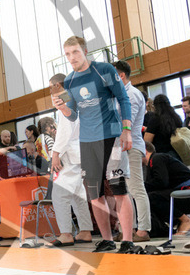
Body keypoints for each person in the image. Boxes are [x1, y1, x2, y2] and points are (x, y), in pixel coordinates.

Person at [56, 36, 135, 253]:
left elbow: (124, 100)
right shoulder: (70, 81)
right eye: (68, 54)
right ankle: (107, 239)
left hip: (111, 136)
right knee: (94, 193)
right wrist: (64, 110)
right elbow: (73, 116)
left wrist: (126, 130)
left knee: (118, 188)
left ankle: (127, 240)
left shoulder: (104, 70)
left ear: (85, 51)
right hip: (87, 141)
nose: (72, 58)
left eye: (75, 52)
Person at [48, 74, 93, 247]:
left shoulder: (65, 99)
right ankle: (85, 231)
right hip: (80, 151)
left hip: (68, 151)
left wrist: (55, 153)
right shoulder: (78, 97)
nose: (50, 90)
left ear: (58, 85)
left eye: (51, 87)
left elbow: (66, 129)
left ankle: (66, 233)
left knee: (60, 194)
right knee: (78, 193)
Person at [114, 60, 150, 243]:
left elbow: (128, 121)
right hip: (119, 149)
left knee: (136, 188)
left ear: (120, 76)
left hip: (131, 146)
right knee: (124, 191)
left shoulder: (133, 94)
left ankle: (143, 230)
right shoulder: (119, 95)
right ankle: (129, 228)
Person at [143, 141, 190, 237]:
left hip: (189, 193)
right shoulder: (152, 163)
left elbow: (161, 182)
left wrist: (140, 187)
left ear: (143, 150)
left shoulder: (157, 158)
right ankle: (171, 225)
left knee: (152, 197)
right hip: (181, 191)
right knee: (148, 197)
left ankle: (185, 220)